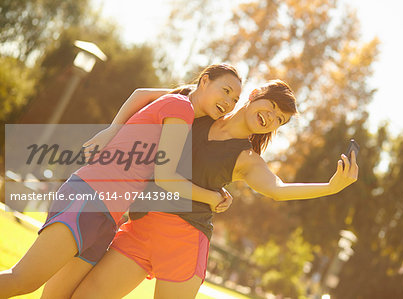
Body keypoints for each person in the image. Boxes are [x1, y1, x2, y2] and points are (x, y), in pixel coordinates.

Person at [71, 80, 359, 299]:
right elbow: (143, 97)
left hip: (184, 242)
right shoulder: (198, 110)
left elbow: (277, 189)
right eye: (271, 107)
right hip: (142, 225)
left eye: (279, 120)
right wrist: (112, 129)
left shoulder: (247, 159)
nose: (271, 118)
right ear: (256, 95)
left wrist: (332, 187)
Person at [0, 64, 242, 298]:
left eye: (235, 100)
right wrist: (212, 197)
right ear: (205, 80)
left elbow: (141, 94)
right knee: (23, 280)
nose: (229, 102)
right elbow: (166, 175)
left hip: (109, 215)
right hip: (90, 198)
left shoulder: (182, 110)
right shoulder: (181, 108)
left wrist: (114, 129)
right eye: (226, 91)